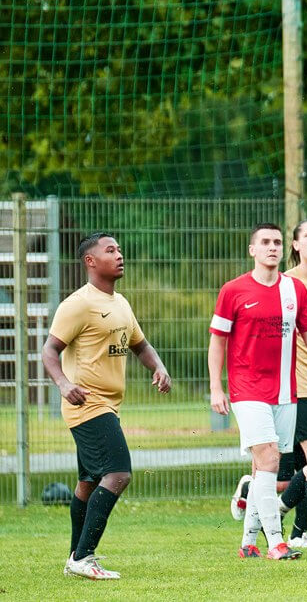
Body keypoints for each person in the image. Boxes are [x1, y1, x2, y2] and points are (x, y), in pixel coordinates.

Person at [41, 232, 172, 580]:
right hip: (87, 404)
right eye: (110, 250)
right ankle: (84, 556)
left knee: (88, 481)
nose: (119, 255)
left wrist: (158, 367)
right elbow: (49, 351)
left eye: (119, 249)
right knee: (118, 474)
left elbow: (140, 345)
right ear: (90, 261)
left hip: (108, 406)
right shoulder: (77, 304)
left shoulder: (121, 303)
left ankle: (74, 558)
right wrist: (64, 384)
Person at [208, 223, 307, 560]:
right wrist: (216, 387)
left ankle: (248, 542)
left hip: (285, 391)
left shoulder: (294, 289)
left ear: (284, 249)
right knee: (268, 459)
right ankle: (277, 543)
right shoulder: (233, 290)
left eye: (277, 242)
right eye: (265, 242)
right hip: (246, 389)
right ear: (252, 250)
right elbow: (218, 341)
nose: (272, 247)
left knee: (266, 466)